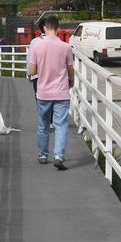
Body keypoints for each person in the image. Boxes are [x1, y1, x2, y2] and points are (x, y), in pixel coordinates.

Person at [27, 15, 74, 170]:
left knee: (43, 125)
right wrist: (71, 81)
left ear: (44, 28)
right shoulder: (66, 47)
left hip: (43, 93)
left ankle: (42, 154)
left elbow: (32, 69)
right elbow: (70, 69)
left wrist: (30, 75)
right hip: (61, 92)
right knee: (61, 125)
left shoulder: (37, 46)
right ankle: (59, 156)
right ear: (58, 28)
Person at [24, 16, 46, 94]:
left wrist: (29, 73)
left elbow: (29, 59)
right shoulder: (58, 42)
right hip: (53, 77)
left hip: (37, 76)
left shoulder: (34, 42)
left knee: (39, 100)